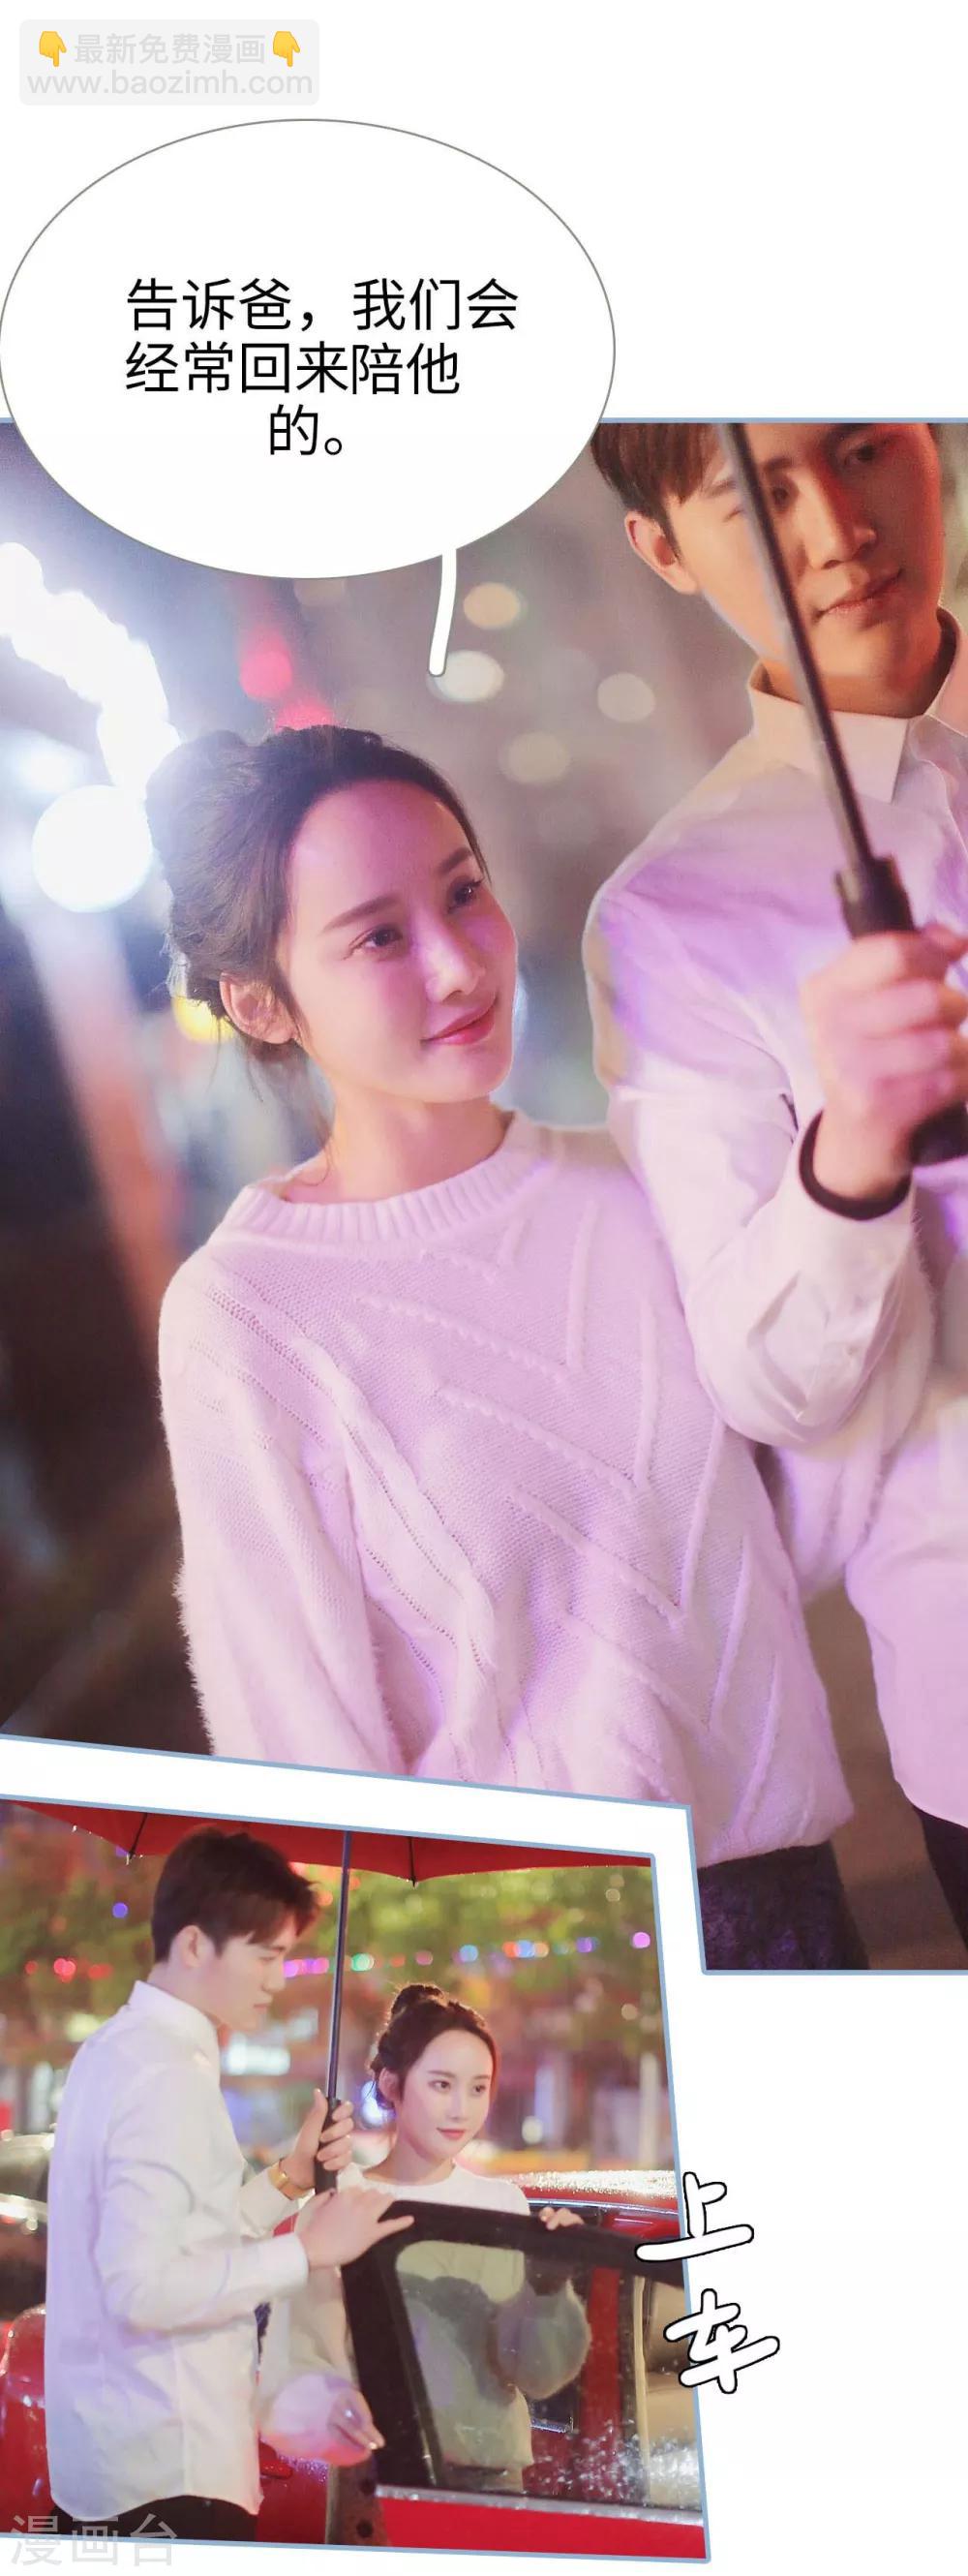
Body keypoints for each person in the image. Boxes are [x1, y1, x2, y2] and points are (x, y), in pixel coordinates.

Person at [151, 721, 924, 1968]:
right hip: (534, 1957)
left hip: (787, 1901)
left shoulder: (635, 1188)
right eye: (379, 936)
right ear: (261, 1000)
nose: (460, 963)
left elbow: (813, 1507)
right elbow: (296, 1744)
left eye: (464, 891)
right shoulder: (248, 1314)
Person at [584, 420, 968, 1943]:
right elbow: (766, 1383)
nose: (838, 528)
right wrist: (854, 1150)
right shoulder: (675, 916)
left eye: (862, 450)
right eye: (760, 494)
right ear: (663, 548)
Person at [45, 1828, 412, 2542]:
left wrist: (290, 2178)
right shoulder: (165, 2074)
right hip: (170, 2469)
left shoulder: (116, 2050)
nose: (278, 1979)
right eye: (266, 1955)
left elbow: (187, 2239)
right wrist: (305, 2253)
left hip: (118, 2466)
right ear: (193, 1945)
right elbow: (143, 2290)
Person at [257, 1983, 589, 2495]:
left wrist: (547, 2290)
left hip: (494, 2482)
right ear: (392, 2084)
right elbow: (298, 2362)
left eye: (478, 2088)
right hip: (377, 2479)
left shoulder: (502, 2205)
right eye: (441, 2085)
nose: (461, 2109)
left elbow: (535, 2375)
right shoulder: (341, 2203)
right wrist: (331, 2405)